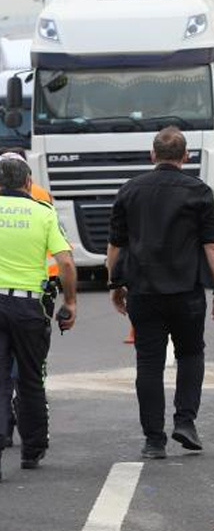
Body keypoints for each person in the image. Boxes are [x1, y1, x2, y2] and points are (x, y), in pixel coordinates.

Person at [106, 127, 214, 460]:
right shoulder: (198, 192)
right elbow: (213, 245)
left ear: (152, 154)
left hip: (143, 293)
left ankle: (154, 440)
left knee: (148, 364)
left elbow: (116, 245)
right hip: (186, 292)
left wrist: (115, 284)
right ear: (185, 156)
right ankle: (185, 421)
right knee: (191, 354)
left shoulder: (130, 191)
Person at [0, 156, 75, 478]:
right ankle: (32, 450)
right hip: (29, 308)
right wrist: (70, 301)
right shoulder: (43, 213)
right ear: (29, 182)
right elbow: (67, 263)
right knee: (30, 379)